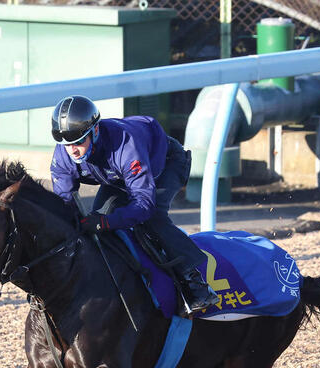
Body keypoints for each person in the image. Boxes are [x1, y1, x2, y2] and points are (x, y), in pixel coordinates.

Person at [49, 95, 218, 313]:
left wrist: (104, 222)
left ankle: (195, 283)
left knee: (151, 218)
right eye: (66, 144)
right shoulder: (64, 155)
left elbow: (144, 206)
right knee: (94, 223)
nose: (73, 150)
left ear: (96, 131)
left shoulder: (126, 146)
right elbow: (65, 205)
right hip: (116, 178)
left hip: (165, 166)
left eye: (79, 141)